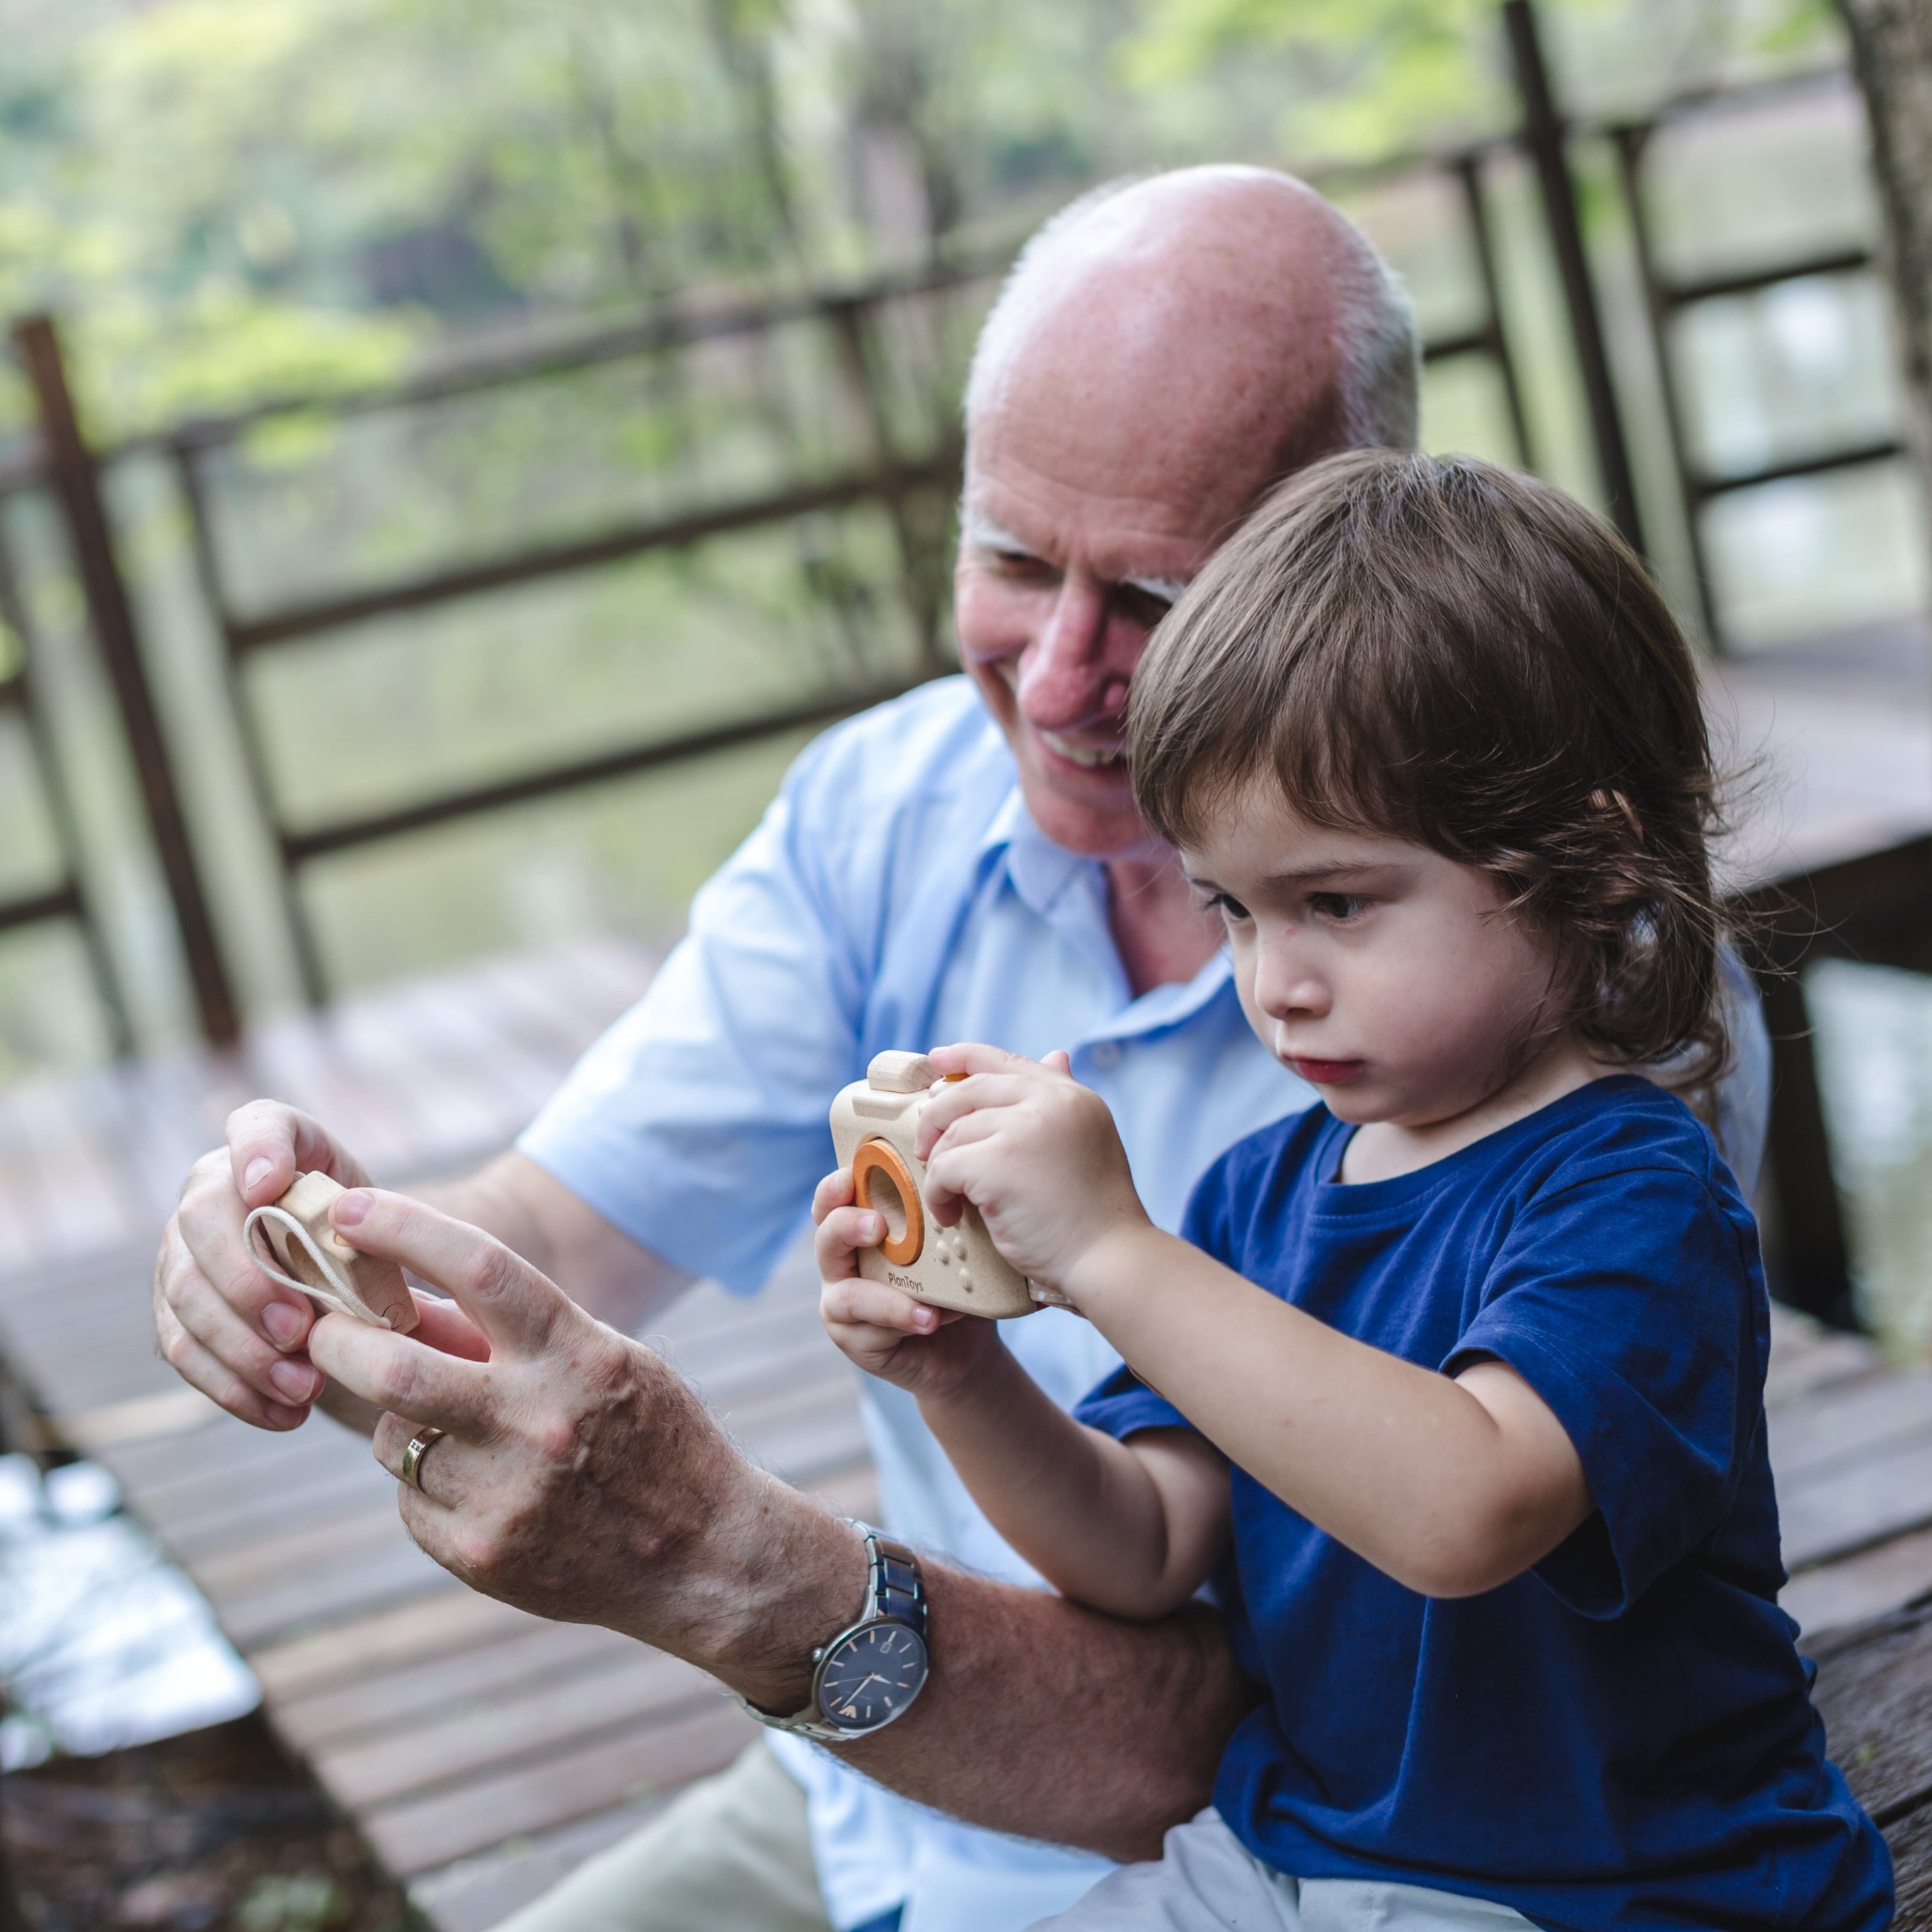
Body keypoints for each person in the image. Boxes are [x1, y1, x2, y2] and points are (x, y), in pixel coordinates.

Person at [150, 171, 1772, 1932]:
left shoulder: (1609, 1068)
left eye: (1154, 597)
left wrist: (1105, 1261)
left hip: (1338, 1838)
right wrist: (321, 1249)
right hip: (918, 1804)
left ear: (1331, 581)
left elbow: (1441, 1533)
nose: (1061, 675)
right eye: (1010, 559)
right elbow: (557, 1235)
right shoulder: (925, 844)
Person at [817, 451, 1889, 1932]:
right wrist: (967, 1377)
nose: (1277, 984)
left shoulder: (1632, 1195)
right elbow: (1142, 1546)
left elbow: (1472, 1506)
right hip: (1292, 1859)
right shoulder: (1262, 1195)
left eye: (1336, 903)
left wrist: (1117, 1252)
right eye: (1232, 912)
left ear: (1592, 852)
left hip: (1609, 1895)